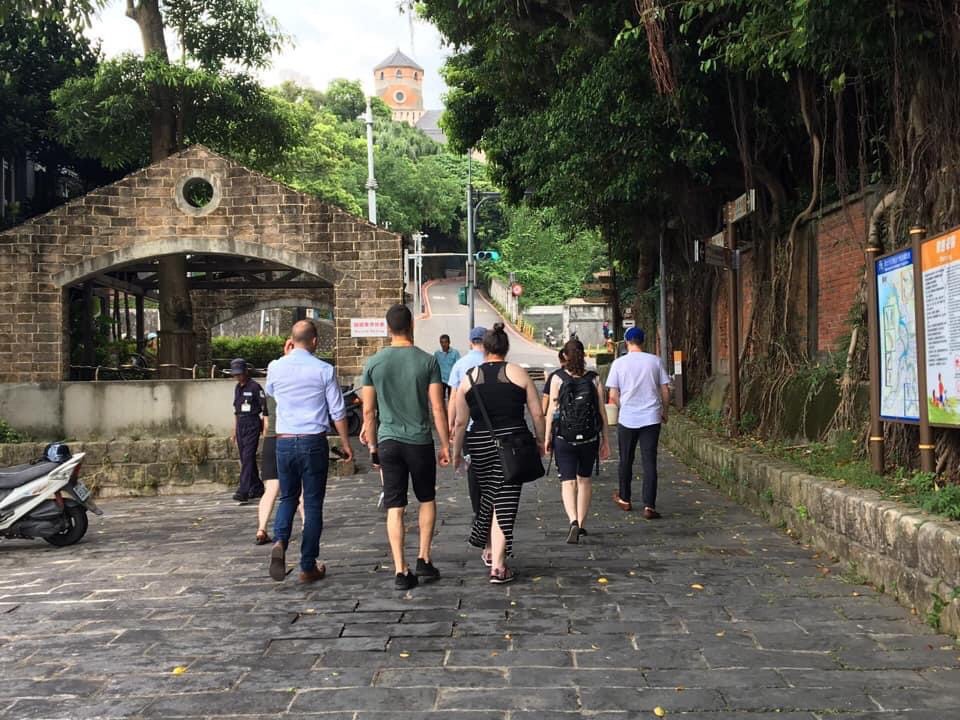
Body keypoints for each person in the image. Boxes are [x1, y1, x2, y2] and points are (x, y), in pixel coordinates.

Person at [361, 304, 450, 591]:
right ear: (411, 325)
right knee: (426, 498)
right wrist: (446, 443)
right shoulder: (428, 361)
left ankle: (401, 569)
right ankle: (424, 557)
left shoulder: (374, 363)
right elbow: (437, 407)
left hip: (388, 441)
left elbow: (368, 412)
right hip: (419, 441)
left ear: (388, 328)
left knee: (394, 506)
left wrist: (372, 445)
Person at [452, 324, 546, 584]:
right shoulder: (517, 373)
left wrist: (456, 452)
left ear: (484, 348)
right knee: (505, 501)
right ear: (506, 347)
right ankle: (498, 566)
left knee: (491, 497)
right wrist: (541, 440)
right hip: (513, 443)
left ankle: (491, 550)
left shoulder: (470, 377)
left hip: (479, 444)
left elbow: (460, 422)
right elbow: (537, 413)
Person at [264, 320, 353, 585]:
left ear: (291, 340)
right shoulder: (324, 370)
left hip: (283, 441)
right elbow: (337, 410)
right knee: (312, 503)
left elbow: (271, 391)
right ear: (314, 341)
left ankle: (280, 540)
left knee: (288, 497)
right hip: (313, 441)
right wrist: (345, 442)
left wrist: (284, 356)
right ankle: (307, 565)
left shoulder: (275, 366)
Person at [544, 340, 610, 543]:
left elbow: (551, 411)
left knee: (568, 481)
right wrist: (606, 440)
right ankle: (581, 524)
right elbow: (602, 411)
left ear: (565, 356)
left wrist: (547, 437)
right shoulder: (594, 379)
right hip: (589, 438)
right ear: (583, 355)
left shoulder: (557, 378)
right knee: (584, 480)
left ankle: (572, 520)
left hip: (564, 437)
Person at [605, 327, 670, 519]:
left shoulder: (619, 363)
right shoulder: (655, 361)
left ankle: (625, 498)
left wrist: (624, 406)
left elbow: (613, 394)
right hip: (651, 417)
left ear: (626, 342)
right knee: (649, 461)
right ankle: (649, 505)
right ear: (643, 341)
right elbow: (665, 390)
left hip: (628, 418)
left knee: (626, 459)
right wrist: (665, 411)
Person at [254, 339, 304, 545]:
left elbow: (266, 423)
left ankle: (261, 528)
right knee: (299, 486)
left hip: (271, 440)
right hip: (289, 437)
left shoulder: (270, 390)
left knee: (272, 488)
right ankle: (307, 523)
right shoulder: (294, 387)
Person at [446, 326, 487, 519]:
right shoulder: (493, 363)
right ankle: (493, 509)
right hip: (493, 426)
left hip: (470, 428)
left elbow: (453, 398)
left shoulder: (460, 364)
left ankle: (478, 510)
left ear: (471, 342)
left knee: (473, 468)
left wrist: (451, 424)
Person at [229, 358, 267, 504]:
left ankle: (243, 490)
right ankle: (257, 487)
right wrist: (234, 429)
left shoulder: (255, 387)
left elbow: (265, 409)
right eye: (235, 374)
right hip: (241, 424)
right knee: (245, 458)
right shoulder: (237, 388)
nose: (238, 377)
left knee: (248, 457)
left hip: (252, 423)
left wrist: (265, 427)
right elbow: (236, 410)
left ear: (246, 371)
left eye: (240, 373)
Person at [434, 334, 461, 402]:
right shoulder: (437, 353)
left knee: (452, 398)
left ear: (449, 342)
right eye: (442, 342)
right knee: (440, 398)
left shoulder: (455, 353)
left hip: (452, 379)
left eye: (445, 342)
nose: (443, 344)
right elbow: (434, 366)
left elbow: (458, 366)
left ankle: (450, 408)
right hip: (441, 380)